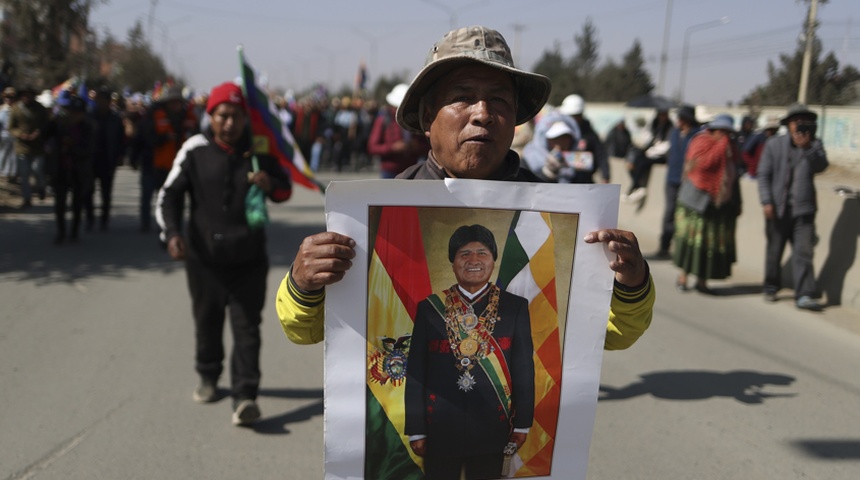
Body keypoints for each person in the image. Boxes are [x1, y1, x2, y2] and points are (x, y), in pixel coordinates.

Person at [277, 27, 652, 352]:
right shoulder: (381, 214)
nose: (483, 112)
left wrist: (631, 286)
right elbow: (305, 331)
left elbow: (607, 336)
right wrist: (303, 283)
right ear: (427, 117)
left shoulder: (558, 219)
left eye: (499, 100)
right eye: (463, 96)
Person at [156, 82, 293, 426]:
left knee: (248, 328)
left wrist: (268, 183)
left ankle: (245, 396)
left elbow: (284, 188)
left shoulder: (258, 149)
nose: (229, 123)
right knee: (208, 321)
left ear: (246, 119)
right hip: (204, 261)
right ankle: (208, 375)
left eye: (236, 116)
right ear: (210, 116)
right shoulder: (195, 149)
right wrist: (172, 234)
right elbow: (168, 197)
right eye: (222, 115)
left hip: (248, 260)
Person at [405, 224, 534, 479]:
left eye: (482, 253)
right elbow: (417, 370)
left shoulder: (515, 307)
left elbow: (523, 369)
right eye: (464, 254)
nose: (474, 260)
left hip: (494, 427)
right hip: (440, 426)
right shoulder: (430, 309)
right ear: (452, 262)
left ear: (493, 260)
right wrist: (416, 429)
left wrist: (522, 423)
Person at [757, 103, 828, 310]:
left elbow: (821, 166)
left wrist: (808, 148)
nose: (799, 126)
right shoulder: (774, 145)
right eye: (796, 121)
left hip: (804, 211)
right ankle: (771, 286)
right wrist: (766, 201)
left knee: (803, 253)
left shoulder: (815, 146)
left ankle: (804, 293)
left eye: (804, 122)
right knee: (774, 251)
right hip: (777, 210)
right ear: (788, 124)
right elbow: (763, 175)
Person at [673, 114, 742, 293]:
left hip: (718, 204)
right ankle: (683, 276)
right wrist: (720, 148)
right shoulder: (701, 141)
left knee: (708, 245)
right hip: (694, 202)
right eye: (721, 132)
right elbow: (702, 166)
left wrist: (736, 201)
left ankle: (702, 281)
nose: (724, 136)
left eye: (728, 133)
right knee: (691, 242)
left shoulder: (731, 148)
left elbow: (733, 176)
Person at [141, 85, 198, 233]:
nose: (175, 105)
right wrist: (163, 138)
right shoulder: (155, 115)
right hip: (159, 165)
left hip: (181, 166)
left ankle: (174, 228)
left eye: (177, 102)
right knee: (160, 198)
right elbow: (146, 138)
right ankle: (155, 225)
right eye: (172, 102)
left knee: (178, 199)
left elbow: (198, 138)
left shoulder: (190, 117)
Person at [649, 105, 701, 260]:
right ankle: (664, 247)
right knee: (669, 214)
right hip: (671, 179)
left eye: (680, 118)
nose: (677, 120)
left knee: (684, 217)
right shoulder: (674, 133)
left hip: (688, 182)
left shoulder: (697, 136)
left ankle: (682, 252)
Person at [50, 95, 94, 244]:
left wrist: (72, 148)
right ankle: (60, 232)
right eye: (71, 111)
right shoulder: (60, 125)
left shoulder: (88, 127)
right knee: (60, 203)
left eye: (77, 112)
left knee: (77, 203)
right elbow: (46, 136)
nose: (73, 115)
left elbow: (89, 150)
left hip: (79, 170)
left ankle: (74, 232)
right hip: (61, 169)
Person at [85, 87, 126, 231]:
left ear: (109, 102)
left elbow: (121, 140)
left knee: (106, 192)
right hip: (90, 159)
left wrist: (121, 156)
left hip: (108, 159)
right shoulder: (89, 118)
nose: (102, 103)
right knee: (88, 190)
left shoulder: (115, 119)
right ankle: (89, 218)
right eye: (99, 100)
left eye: (104, 100)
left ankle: (104, 219)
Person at [367, 83, 427, 178]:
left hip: (412, 171)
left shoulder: (415, 120)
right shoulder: (383, 120)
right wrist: (392, 148)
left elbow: (428, 146)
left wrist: (416, 146)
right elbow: (372, 147)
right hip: (390, 172)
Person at [9, 86, 50, 208]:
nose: (26, 97)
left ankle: (41, 187)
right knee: (24, 174)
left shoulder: (40, 109)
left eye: (29, 95)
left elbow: (47, 125)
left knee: (37, 169)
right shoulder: (16, 109)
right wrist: (20, 134)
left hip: (38, 146)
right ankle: (27, 198)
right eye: (24, 95)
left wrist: (38, 133)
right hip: (22, 146)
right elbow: (11, 127)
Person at [557, 94, 610, 183]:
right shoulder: (558, 132)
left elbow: (600, 153)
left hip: (584, 180)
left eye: (576, 115)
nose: (573, 119)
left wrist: (606, 174)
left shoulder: (589, 134)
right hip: (562, 179)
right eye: (570, 116)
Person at [624, 109, 673, 203]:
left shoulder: (670, 128)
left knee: (643, 162)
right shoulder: (655, 125)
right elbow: (649, 140)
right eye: (660, 115)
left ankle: (636, 187)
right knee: (635, 159)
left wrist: (653, 149)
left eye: (663, 115)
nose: (662, 117)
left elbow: (666, 146)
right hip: (651, 152)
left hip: (662, 156)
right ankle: (637, 186)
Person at [0, 87, 17, 180]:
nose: (8, 99)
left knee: (13, 156)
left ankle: (12, 174)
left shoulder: (17, 109)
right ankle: (2, 171)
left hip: (14, 135)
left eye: (11, 97)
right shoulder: (1, 109)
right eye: (6, 97)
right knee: (3, 153)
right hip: (3, 135)